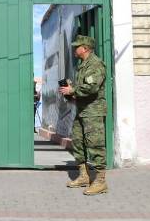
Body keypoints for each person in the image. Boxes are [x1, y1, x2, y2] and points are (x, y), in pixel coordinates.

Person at [59, 35, 107, 195]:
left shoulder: (95, 64)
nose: (74, 49)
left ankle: (100, 182)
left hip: (93, 112)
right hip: (81, 111)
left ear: (85, 48)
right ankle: (84, 176)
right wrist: (72, 92)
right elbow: (83, 88)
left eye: (77, 46)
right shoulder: (83, 65)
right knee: (78, 143)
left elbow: (92, 87)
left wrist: (73, 90)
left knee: (95, 145)